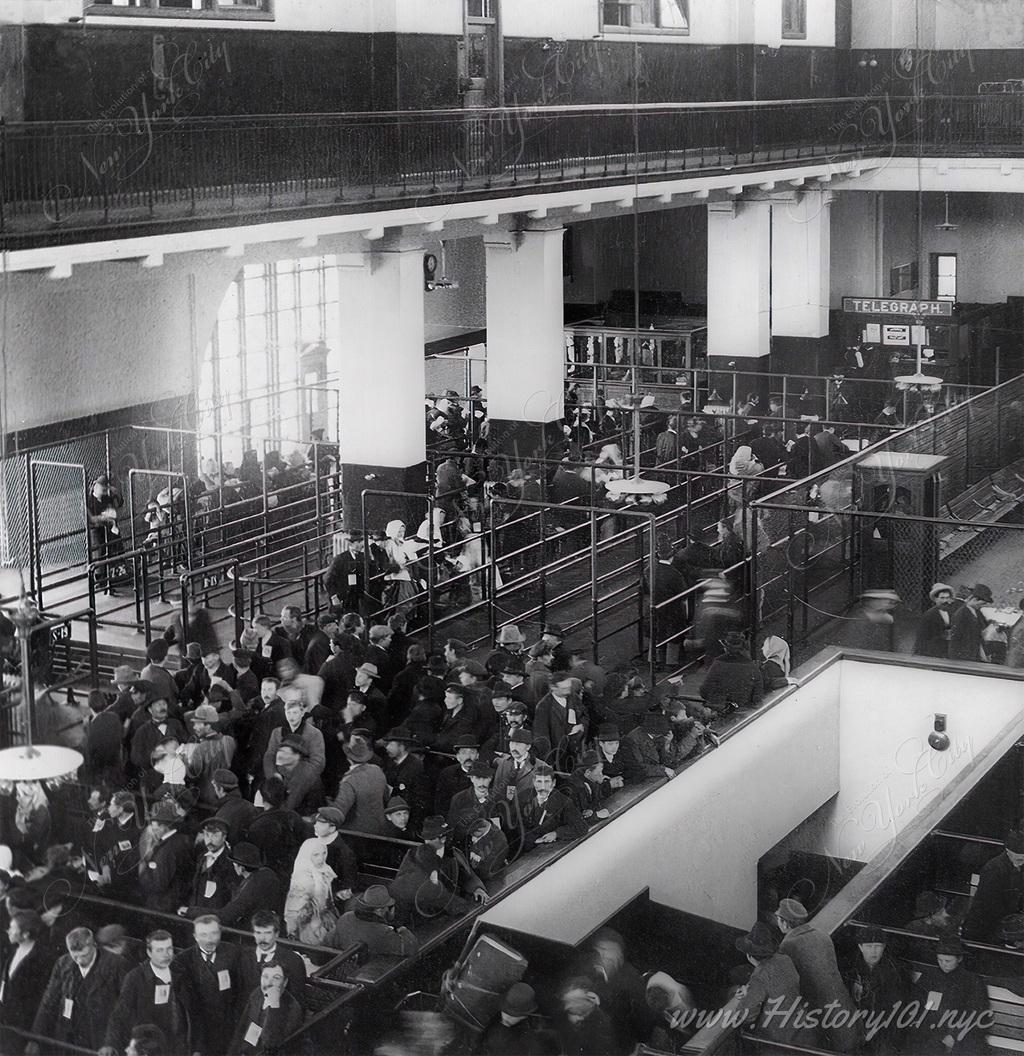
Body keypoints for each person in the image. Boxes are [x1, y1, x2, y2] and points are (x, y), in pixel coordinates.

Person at [775, 898, 860, 1052]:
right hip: (845, 1009)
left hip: (822, 1015)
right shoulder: (822, 935)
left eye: (778, 919)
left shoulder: (787, 945)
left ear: (785, 923)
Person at [28, 927, 128, 1055]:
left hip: (100, 1042)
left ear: (94, 945)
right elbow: (48, 1001)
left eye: (85, 955)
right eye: (75, 956)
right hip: (68, 1040)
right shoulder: (63, 964)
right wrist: (35, 1038)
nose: (80, 961)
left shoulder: (117, 965)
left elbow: (125, 1009)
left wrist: (111, 1043)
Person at [100, 930, 186, 1056]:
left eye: (169, 949)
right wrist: (110, 1043)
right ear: (149, 952)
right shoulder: (135, 978)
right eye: (159, 950)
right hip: (150, 1047)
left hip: (178, 1046)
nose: (166, 955)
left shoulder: (182, 974)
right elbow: (120, 1014)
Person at [729, 921, 812, 1048]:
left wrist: (747, 996)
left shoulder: (759, 976)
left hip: (778, 1041)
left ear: (749, 956)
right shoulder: (785, 960)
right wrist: (751, 991)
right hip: (801, 1030)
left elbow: (747, 1017)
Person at [902, 936, 991, 1055]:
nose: (943, 964)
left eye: (948, 961)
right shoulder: (930, 976)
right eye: (940, 960)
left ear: (959, 959)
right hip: (933, 1028)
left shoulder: (972, 981)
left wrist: (954, 1035)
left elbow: (977, 1011)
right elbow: (917, 1001)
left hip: (960, 1031)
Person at [172, 915, 243, 1056]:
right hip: (200, 1029)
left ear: (220, 933)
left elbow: (241, 990)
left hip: (228, 1027)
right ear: (195, 936)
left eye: (214, 933)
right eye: (203, 935)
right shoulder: (183, 960)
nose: (209, 940)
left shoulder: (233, 953)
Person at [842, 927, 908, 1054]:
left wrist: (874, 1029)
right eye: (869, 946)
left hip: (884, 1028)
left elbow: (895, 1008)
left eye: (878, 946)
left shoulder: (894, 972)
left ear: (884, 947)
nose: (873, 951)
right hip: (855, 1023)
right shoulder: (851, 968)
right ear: (860, 947)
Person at [188, 842, 283, 928]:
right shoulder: (265, 874)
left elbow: (226, 915)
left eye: (234, 864)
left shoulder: (252, 886)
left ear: (241, 868)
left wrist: (190, 911)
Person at [962, 829, 1024, 943]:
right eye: (1019, 859)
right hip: (986, 923)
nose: (1022, 862)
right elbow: (990, 905)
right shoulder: (993, 870)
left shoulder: (1019, 865)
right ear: (1008, 851)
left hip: (1008, 918)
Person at [229, 961, 303, 1055]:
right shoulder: (257, 994)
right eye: (265, 977)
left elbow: (271, 1045)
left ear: (285, 982)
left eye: (276, 978)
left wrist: (274, 1006)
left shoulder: (292, 1007)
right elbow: (241, 1030)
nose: (269, 983)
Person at [322, 885, 419, 957]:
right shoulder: (382, 932)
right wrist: (400, 928)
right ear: (379, 910)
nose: (391, 909)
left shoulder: (346, 917)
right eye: (389, 906)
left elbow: (326, 944)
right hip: (363, 975)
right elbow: (411, 947)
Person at [238, 911, 307, 1010]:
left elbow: (297, 1002)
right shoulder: (243, 956)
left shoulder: (293, 960)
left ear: (277, 934)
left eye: (267, 933)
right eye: (258, 933)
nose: (262, 938)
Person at [0, 910, 53, 1038]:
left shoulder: (41, 958)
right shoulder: (13, 951)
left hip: (21, 1025)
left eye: (13, 928)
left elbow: (37, 998)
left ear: (26, 934)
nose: (9, 931)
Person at [514, 762, 587, 853]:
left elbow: (581, 826)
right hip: (524, 852)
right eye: (539, 782)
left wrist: (556, 833)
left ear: (553, 783)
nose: (543, 787)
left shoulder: (563, 802)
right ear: (533, 782)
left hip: (549, 851)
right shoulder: (522, 798)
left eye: (547, 782)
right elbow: (513, 828)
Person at [137, 800, 194, 914]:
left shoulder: (167, 850)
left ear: (163, 826)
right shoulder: (181, 840)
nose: (153, 831)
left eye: (154, 827)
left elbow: (159, 883)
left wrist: (143, 870)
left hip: (161, 906)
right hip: (172, 903)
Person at [283, 838, 339, 945]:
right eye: (316, 855)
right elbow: (293, 912)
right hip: (307, 927)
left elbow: (328, 899)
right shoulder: (302, 879)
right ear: (307, 855)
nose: (321, 858)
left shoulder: (324, 870)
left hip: (325, 918)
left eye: (324, 853)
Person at [478, 982, 556, 1056]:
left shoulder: (529, 1040)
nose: (506, 1017)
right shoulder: (493, 1024)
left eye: (513, 1015)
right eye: (505, 1011)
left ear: (524, 1016)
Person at [699, 630, 765, 717]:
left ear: (726, 648)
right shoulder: (752, 667)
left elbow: (705, 690)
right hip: (744, 714)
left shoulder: (718, 664)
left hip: (720, 712)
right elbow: (757, 695)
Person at [332, 738, 389, 835]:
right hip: (380, 829)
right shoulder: (377, 770)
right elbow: (386, 797)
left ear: (348, 757)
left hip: (357, 834)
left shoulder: (349, 781)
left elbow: (339, 813)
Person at [182, 816, 236, 914]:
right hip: (195, 914)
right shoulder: (201, 856)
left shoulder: (230, 863)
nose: (209, 840)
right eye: (207, 835)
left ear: (224, 837)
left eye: (215, 836)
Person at [554, 977, 621, 1056]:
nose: (568, 1006)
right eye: (567, 1002)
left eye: (576, 1001)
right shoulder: (564, 1024)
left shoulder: (604, 1025)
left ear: (592, 999)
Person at [949, 584, 994, 664]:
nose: (982, 606)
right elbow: (955, 639)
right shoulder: (961, 614)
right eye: (981, 603)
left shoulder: (977, 612)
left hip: (975, 653)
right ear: (974, 599)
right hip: (964, 656)